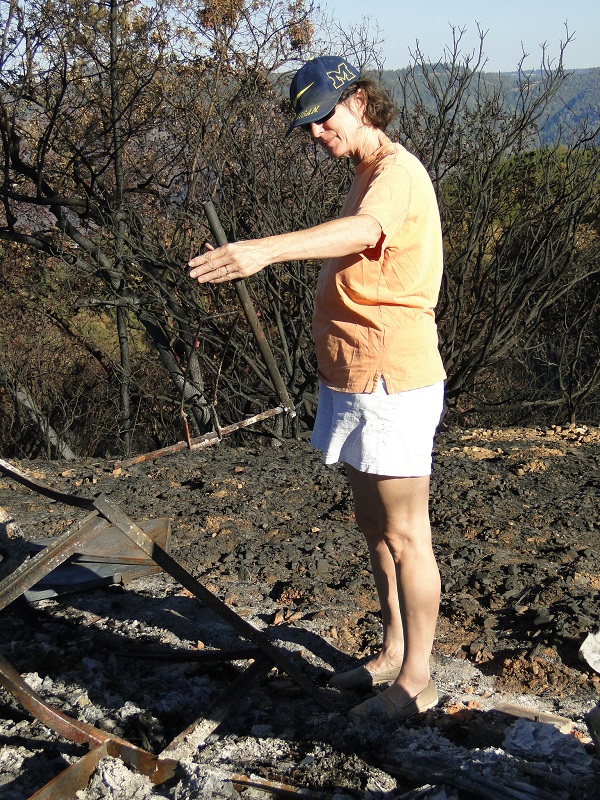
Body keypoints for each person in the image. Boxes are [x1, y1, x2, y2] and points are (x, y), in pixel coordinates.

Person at [188, 56, 446, 723]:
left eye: (324, 118)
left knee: (406, 533)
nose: (316, 134)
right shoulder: (365, 172)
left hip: (392, 378)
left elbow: (366, 232)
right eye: (307, 126)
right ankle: (393, 652)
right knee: (374, 528)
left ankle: (418, 680)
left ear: (359, 100)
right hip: (355, 376)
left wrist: (264, 249)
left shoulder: (396, 172)